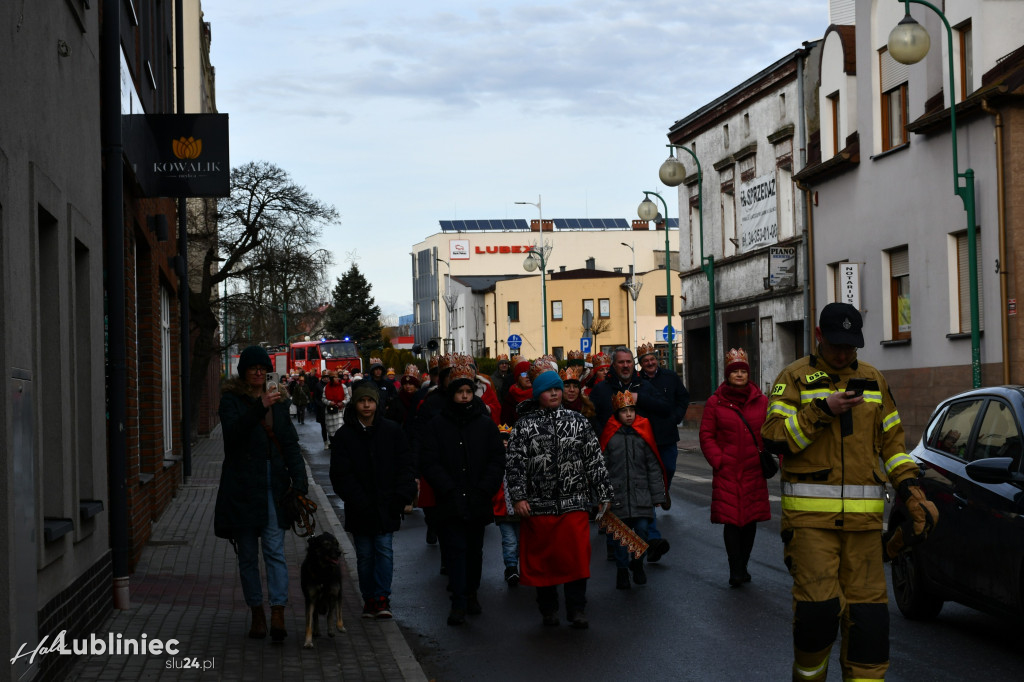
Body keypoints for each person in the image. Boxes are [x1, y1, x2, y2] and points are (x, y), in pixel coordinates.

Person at [761, 302, 938, 681]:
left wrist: (910, 489)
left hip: (864, 529)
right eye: (836, 344)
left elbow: (892, 444)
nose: (843, 353)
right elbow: (774, 437)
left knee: (869, 622)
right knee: (818, 613)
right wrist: (822, 409)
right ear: (819, 337)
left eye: (851, 346)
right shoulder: (794, 378)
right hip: (810, 525)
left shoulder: (874, 379)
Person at [505, 363, 612, 629]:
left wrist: (603, 493)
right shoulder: (524, 426)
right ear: (537, 393)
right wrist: (518, 497)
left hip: (573, 503)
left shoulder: (578, 422)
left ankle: (577, 609)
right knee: (545, 564)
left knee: (575, 559)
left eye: (557, 389)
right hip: (538, 506)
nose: (554, 393)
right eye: (548, 390)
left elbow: (594, 460)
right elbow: (515, 464)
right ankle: (548, 610)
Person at [214, 345, 309, 642]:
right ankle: (257, 612)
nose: (257, 372)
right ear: (243, 371)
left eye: (262, 367)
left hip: (273, 483)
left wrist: (300, 483)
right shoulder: (231, 400)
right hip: (242, 484)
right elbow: (232, 435)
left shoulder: (278, 402)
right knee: (246, 555)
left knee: (274, 550)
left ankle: (278, 611)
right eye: (252, 367)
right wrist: (259, 406)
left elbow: (290, 444)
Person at [419, 357, 506, 625]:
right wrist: (447, 488)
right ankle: (457, 600)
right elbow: (430, 461)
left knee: (474, 551)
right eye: (460, 392)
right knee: (455, 550)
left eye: (468, 392)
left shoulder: (484, 424)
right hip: (450, 499)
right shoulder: (437, 424)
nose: (465, 396)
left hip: (478, 498)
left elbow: (496, 460)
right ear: (452, 393)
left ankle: (471, 593)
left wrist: (484, 489)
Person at [330, 380, 417, 619]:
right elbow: (340, 474)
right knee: (365, 554)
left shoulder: (391, 431)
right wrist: (357, 499)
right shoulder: (345, 435)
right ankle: (369, 597)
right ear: (355, 404)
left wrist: (401, 495)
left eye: (370, 401)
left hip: (387, 504)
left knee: (384, 550)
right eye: (362, 401)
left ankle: (381, 597)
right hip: (360, 507)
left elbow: (405, 465)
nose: (366, 405)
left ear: (376, 404)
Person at [590, 346, 674, 562]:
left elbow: (665, 407)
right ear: (614, 365)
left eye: (629, 362)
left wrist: (640, 399)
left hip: (639, 455)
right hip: (612, 456)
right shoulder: (601, 390)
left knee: (642, 500)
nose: (625, 365)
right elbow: (593, 418)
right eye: (621, 362)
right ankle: (619, 548)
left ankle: (646, 544)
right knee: (615, 504)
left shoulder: (644, 386)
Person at [699, 348, 770, 587]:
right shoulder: (715, 402)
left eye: (743, 371)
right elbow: (707, 435)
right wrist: (719, 460)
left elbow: (770, 432)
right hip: (727, 470)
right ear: (727, 375)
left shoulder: (762, 401)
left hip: (753, 470)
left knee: (749, 521)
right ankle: (735, 569)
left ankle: (744, 565)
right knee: (732, 521)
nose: (739, 375)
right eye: (735, 372)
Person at [598, 391, 667, 590]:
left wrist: (657, 495)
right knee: (620, 539)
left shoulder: (643, 432)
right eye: (624, 411)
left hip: (642, 495)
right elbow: (602, 468)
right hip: (617, 496)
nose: (628, 415)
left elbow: (653, 467)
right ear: (616, 414)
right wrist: (602, 496)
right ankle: (622, 570)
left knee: (643, 531)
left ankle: (637, 563)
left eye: (631, 410)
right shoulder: (610, 435)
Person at [500, 358, 533, 425]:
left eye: (529, 373)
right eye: (523, 373)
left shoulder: (539, 395)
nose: (527, 376)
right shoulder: (510, 398)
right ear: (518, 378)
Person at [323, 371, 347, 447]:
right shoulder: (326, 387)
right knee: (331, 431)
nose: (337, 379)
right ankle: (334, 445)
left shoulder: (343, 386)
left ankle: (341, 446)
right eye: (335, 377)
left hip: (340, 411)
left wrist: (343, 402)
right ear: (331, 378)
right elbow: (323, 399)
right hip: (330, 412)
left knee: (340, 428)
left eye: (337, 377)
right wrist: (329, 402)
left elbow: (348, 397)